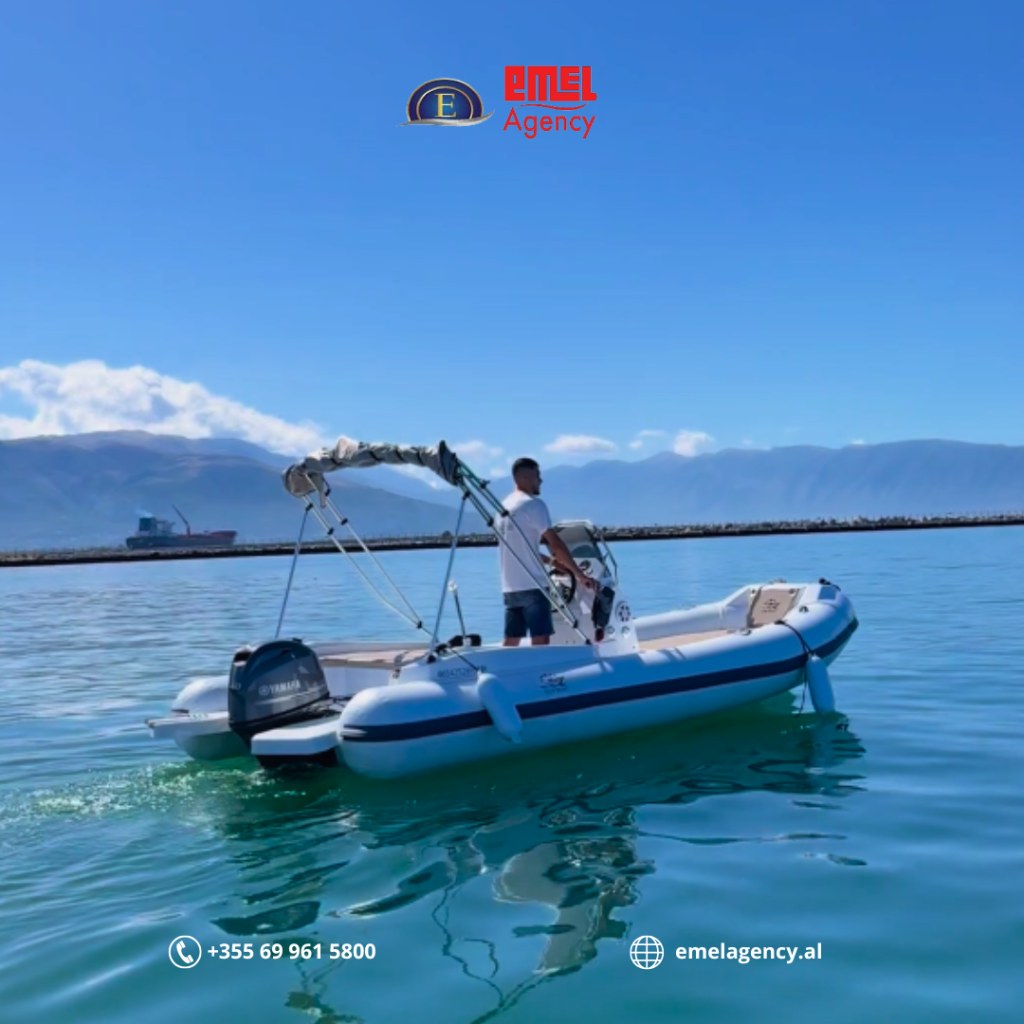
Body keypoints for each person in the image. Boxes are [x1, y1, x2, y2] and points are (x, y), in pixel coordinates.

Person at [498, 457, 599, 646]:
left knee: (512, 640)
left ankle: (503, 665)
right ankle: (542, 668)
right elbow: (556, 544)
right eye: (537, 475)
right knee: (541, 638)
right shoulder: (533, 505)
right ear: (524, 477)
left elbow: (520, 551)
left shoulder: (502, 508)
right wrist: (579, 575)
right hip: (533, 586)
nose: (541, 480)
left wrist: (552, 562)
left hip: (510, 587)